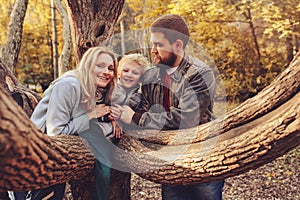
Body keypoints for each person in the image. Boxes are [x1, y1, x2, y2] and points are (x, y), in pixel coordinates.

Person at [113, 14, 224, 200]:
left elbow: (187, 118)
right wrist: (116, 113)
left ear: (178, 45)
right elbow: (142, 103)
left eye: (158, 44)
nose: (153, 50)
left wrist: (136, 118)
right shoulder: (151, 75)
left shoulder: (199, 73)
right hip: (171, 157)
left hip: (201, 155)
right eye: (152, 44)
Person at [8, 46, 119, 200]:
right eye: (99, 65)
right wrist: (90, 115)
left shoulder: (96, 91)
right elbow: (56, 133)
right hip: (32, 158)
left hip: (56, 161)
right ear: (87, 64)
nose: (106, 71)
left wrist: (113, 120)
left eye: (110, 68)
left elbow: (88, 127)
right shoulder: (69, 85)